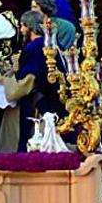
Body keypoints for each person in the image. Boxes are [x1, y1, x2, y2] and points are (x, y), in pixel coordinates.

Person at [12, 11, 67, 152]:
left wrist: (15, 71)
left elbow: (27, 79)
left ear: (29, 27)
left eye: (22, 26)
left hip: (39, 103)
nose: (21, 30)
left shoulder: (31, 48)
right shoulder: (56, 44)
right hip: (60, 99)